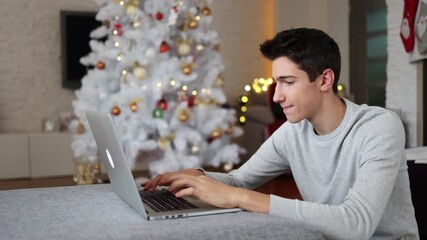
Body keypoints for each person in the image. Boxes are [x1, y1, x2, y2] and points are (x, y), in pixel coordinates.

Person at [143, 28, 419, 239]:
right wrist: (197, 177)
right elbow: (238, 181)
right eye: (277, 83)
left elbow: (356, 224)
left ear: (325, 80)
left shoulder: (379, 126)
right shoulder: (293, 132)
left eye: (288, 82)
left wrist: (240, 198)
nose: (276, 96)